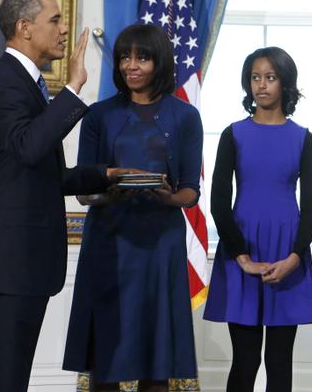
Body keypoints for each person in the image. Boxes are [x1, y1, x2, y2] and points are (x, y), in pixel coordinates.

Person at [0, 0, 129, 392]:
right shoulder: (3, 83)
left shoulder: (26, 84)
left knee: (9, 380)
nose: (65, 29)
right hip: (5, 264)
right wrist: (73, 88)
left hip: (21, 265)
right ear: (24, 27)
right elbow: (31, 148)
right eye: (55, 19)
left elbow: (39, 175)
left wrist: (105, 174)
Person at [62, 24, 202, 392]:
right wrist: (112, 188)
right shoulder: (98, 115)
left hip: (161, 245)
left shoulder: (186, 116)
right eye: (125, 56)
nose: (131, 65)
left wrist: (167, 197)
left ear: (160, 61)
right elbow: (82, 190)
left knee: (157, 358)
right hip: (108, 241)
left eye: (142, 57)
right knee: (105, 354)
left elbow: (190, 190)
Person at [203, 46, 312, 392]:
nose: (262, 85)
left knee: (280, 363)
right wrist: (242, 258)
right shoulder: (233, 134)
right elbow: (219, 203)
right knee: (245, 360)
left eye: (270, 77)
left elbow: (311, 206)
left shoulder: (304, 139)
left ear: (285, 84)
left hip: (288, 254)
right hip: (242, 253)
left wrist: (293, 258)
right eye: (255, 77)